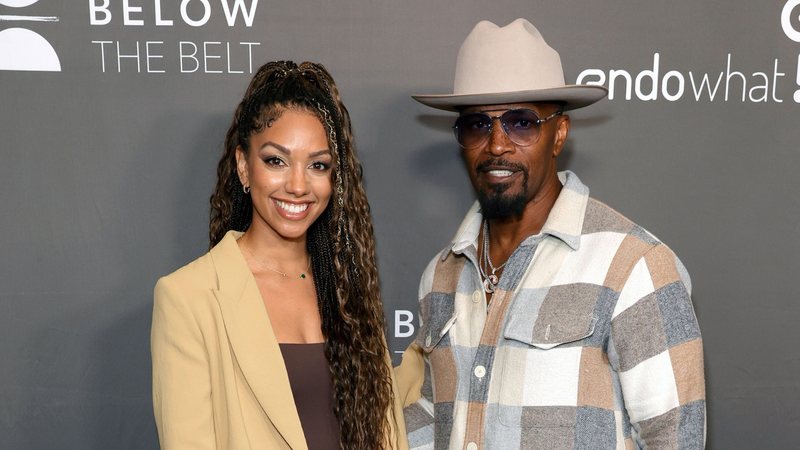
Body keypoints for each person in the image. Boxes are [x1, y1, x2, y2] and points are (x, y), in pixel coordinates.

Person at [395, 19, 705, 449]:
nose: (498, 145)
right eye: (477, 125)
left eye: (521, 123)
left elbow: (673, 439)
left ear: (558, 134)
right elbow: (432, 415)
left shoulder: (635, 267)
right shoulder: (440, 276)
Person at [151, 60, 408, 450]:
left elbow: (385, 435)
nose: (298, 185)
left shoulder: (347, 290)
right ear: (243, 165)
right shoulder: (189, 297)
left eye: (318, 165)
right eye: (276, 160)